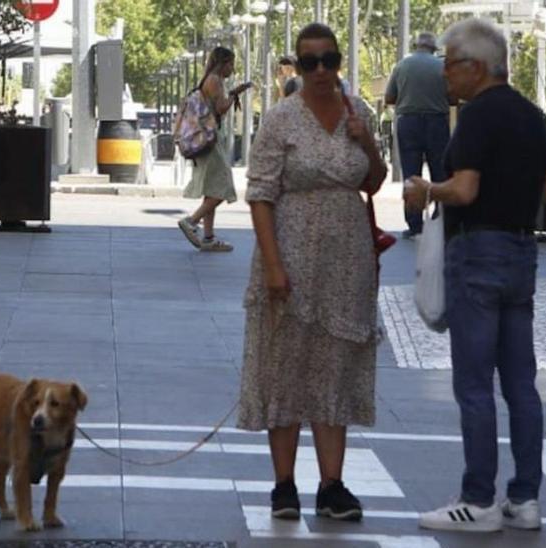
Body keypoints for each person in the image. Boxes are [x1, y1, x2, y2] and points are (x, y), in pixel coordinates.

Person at [403, 18, 546, 533]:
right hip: (521, 253)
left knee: (474, 383)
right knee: (521, 384)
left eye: (450, 63)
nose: (445, 74)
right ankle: (526, 499)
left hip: (480, 253)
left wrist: (427, 190)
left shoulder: (476, 116)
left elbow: (465, 191)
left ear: (475, 66)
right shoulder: (532, 115)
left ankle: (478, 499)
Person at [239, 22, 387, 522]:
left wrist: (367, 143)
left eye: (329, 59)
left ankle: (332, 484)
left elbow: (376, 179)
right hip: (291, 253)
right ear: (297, 68)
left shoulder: (355, 111)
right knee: (284, 367)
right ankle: (284, 485)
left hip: (347, 259)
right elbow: (259, 196)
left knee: (336, 367)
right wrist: (274, 265)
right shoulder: (280, 119)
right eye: (310, 62)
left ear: (339, 61)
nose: (321, 70)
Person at [176, 46, 251, 252]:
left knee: (211, 188)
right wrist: (234, 94)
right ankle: (191, 221)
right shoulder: (215, 81)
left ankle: (208, 238)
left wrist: (233, 93)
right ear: (223, 63)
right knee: (222, 187)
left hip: (204, 139)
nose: (233, 69)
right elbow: (220, 109)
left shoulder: (208, 79)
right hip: (209, 140)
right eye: (231, 64)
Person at [386, 32, 452, 239]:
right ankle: (440, 220)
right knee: (440, 172)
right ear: (434, 48)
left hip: (408, 122)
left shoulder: (402, 65)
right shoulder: (442, 67)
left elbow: (389, 97)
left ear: (416, 46)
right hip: (436, 122)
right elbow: (453, 97)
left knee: (411, 174)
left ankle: (414, 225)